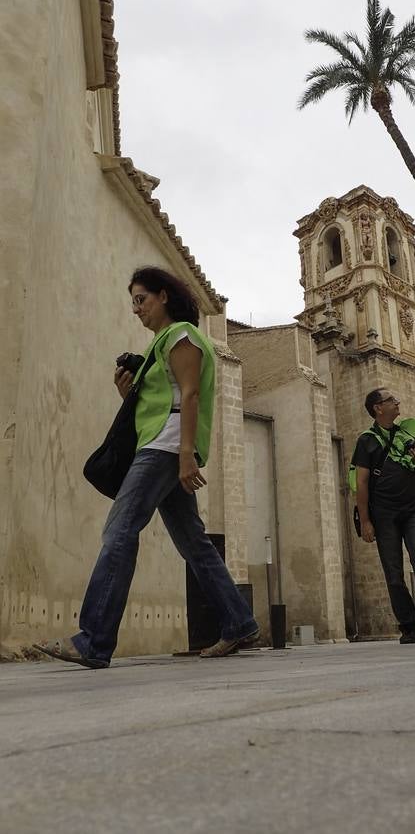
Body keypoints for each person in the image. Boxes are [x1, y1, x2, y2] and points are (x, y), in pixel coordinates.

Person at [35, 267, 258, 668]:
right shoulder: (161, 346)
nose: (136, 309)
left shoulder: (182, 335)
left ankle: (93, 640)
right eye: (133, 303)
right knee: (194, 543)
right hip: (165, 444)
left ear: (164, 296)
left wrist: (187, 454)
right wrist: (129, 391)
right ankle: (239, 621)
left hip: (165, 448)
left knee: (119, 530)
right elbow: (165, 396)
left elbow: (189, 396)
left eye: (142, 299)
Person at [351, 388, 415, 643]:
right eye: (391, 400)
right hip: (383, 515)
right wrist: (365, 521)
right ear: (378, 408)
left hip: (412, 509)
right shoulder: (366, 440)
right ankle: (408, 626)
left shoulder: (406, 433)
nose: (397, 403)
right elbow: (361, 483)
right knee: (393, 572)